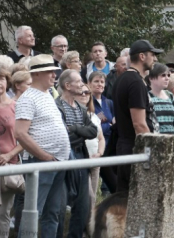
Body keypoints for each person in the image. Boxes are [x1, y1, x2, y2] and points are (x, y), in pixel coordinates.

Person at [15, 54, 71, 238]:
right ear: (37, 74)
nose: (54, 75)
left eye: (55, 72)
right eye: (50, 72)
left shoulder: (47, 94)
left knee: (52, 212)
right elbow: (20, 133)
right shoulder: (28, 98)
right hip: (41, 162)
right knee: (34, 211)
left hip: (56, 161)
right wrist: (43, 155)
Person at [113, 40, 161, 192]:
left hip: (127, 147)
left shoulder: (123, 79)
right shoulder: (134, 82)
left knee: (126, 202)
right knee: (135, 202)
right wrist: (151, 151)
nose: (155, 59)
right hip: (135, 149)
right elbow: (139, 124)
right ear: (142, 56)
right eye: (152, 55)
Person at [55, 69, 98, 238]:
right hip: (64, 158)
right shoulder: (56, 106)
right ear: (67, 85)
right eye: (79, 81)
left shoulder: (81, 107)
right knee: (59, 205)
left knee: (83, 205)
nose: (82, 84)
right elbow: (62, 136)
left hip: (81, 157)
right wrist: (80, 132)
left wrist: (74, 129)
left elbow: (93, 131)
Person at [0, 68, 23, 237]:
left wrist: (9, 155)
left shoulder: (17, 106)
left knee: (4, 214)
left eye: (2, 79)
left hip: (9, 165)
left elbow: (25, 138)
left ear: (7, 82)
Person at [78, 83, 106, 211]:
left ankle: (90, 224)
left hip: (95, 159)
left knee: (93, 196)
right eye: (81, 92)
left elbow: (101, 138)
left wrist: (100, 153)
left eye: (87, 92)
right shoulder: (72, 114)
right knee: (87, 195)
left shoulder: (94, 116)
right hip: (81, 159)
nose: (84, 95)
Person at [88, 71, 117, 193]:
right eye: (96, 81)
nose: (99, 84)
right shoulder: (88, 102)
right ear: (89, 84)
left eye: (102, 82)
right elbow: (94, 126)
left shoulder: (109, 102)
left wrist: (108, 125)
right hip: (95, 146)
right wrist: (109, 125)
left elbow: (114, 122)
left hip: (109, 145)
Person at [148, 63, 174, 137]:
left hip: (172, 142)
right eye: (163, 75)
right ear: (151, 78)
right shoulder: (147, 96)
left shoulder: (170, 95)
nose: (167, 78)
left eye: (168, 75)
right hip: (156, 142)